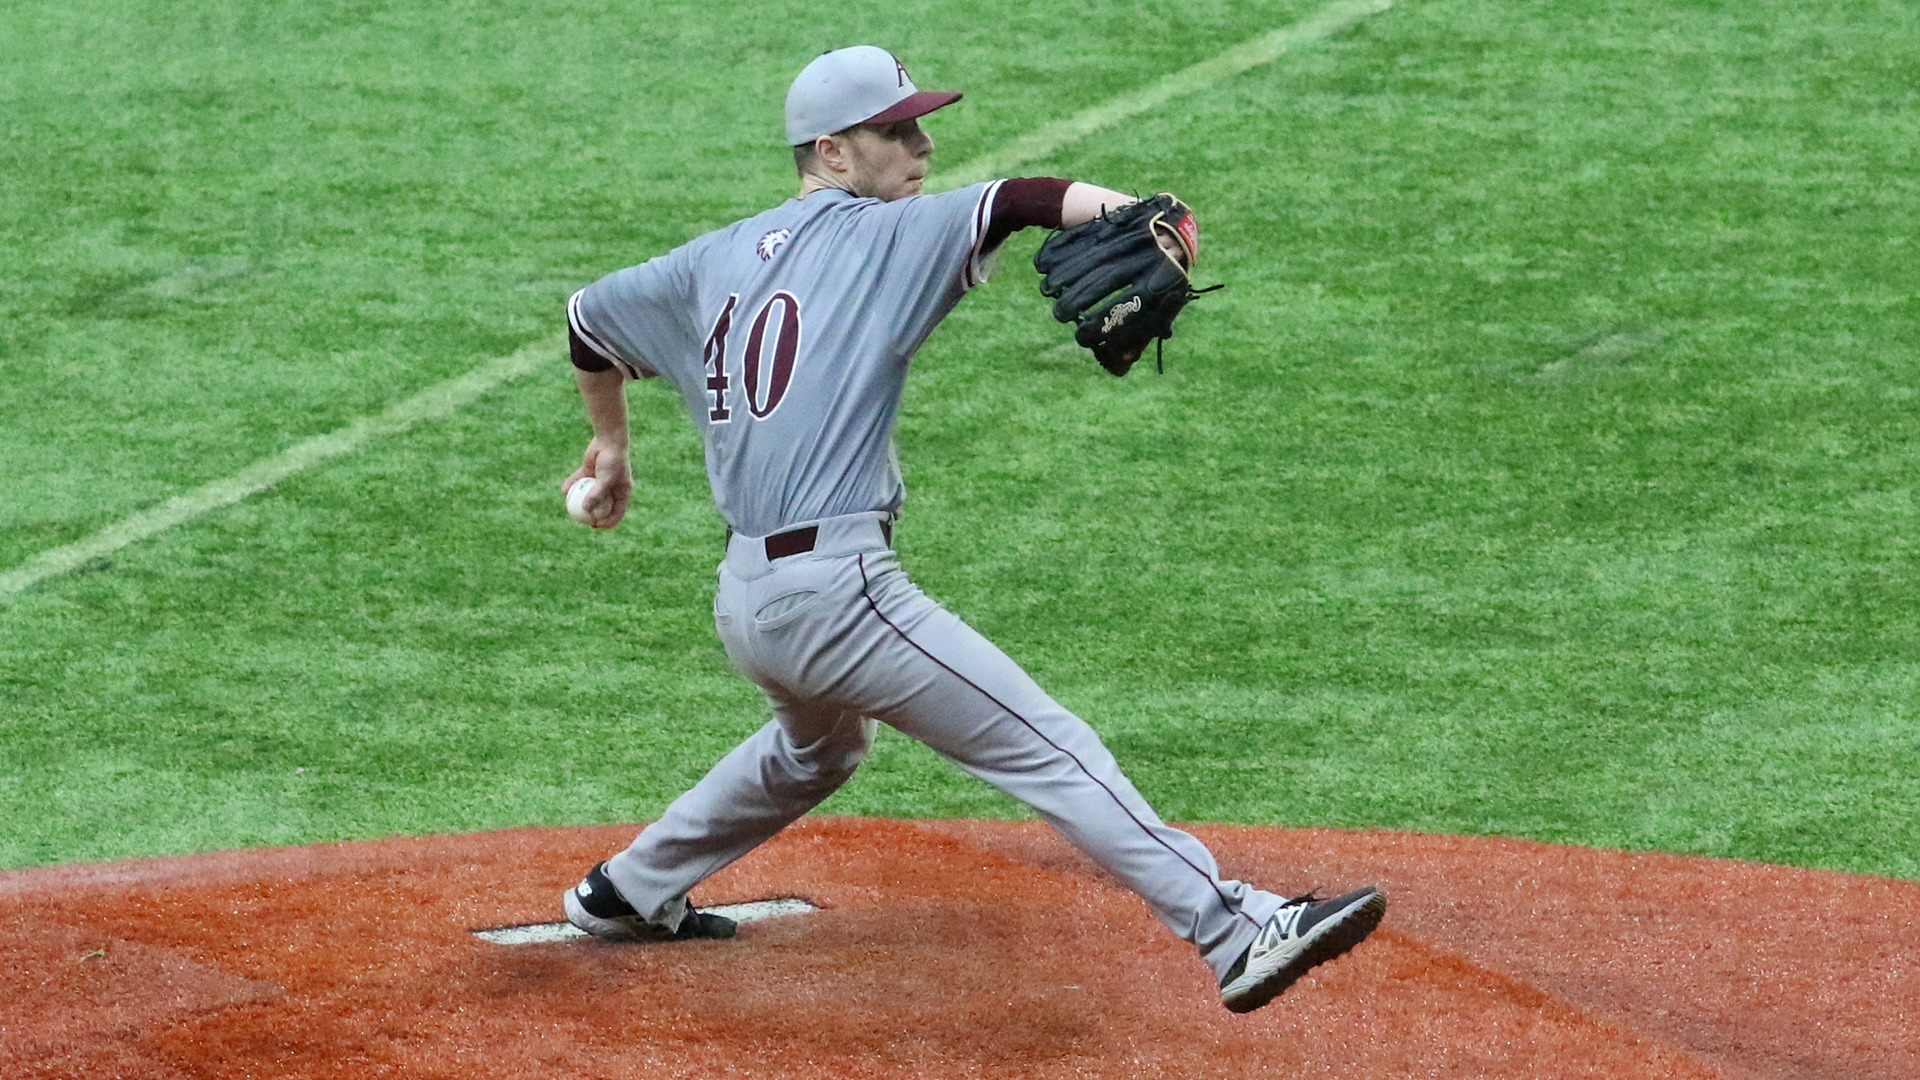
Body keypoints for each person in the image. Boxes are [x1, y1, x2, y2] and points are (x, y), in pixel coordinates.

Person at [557, 45, 1384, 1014]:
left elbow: (586, 321)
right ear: (832, 151)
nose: (923, 143)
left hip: (747, 600)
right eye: (896, 130)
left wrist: (608, 448)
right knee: (1047, 744)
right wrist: (1156, 219)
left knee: (819, 751)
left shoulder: (714, 261)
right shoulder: (881, 235)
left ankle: (626, 891)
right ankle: (1235, 928)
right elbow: (1023, 199)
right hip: (839, 596)